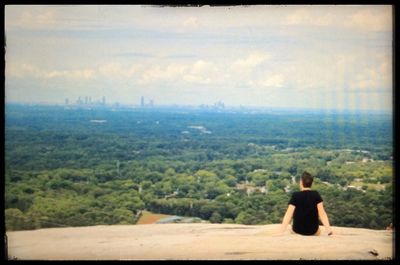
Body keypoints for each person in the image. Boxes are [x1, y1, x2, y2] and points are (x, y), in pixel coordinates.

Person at [275, 171, 333, 236]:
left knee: (291, 227)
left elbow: (289, 214)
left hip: (297, 230)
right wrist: (329, 231)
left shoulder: (295, 195)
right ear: (312, 183)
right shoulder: (316, 194)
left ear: (301, 182)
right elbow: (322, 214)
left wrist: (281, 231)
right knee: (319, 231)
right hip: (313, 231)